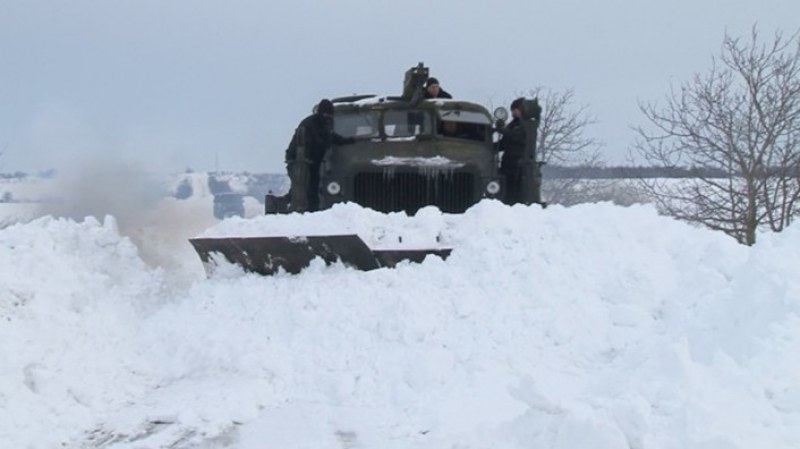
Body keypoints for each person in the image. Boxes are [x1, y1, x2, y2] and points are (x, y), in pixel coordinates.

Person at [284, 99, 354, 212]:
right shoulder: (309, 124)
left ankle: (312, 210)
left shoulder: (324, 124)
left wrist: (347, 140)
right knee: (302, 188)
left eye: (330, 114)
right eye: (326, 114)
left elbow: (330, 136)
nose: (328, 117)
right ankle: (301, 210)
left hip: (313, 162)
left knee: (311, 187)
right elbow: (317, 141)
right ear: (321, 113)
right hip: (300, 162)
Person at [497, 98, 527, 205]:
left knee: (514, 193)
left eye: (515, 109)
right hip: (508, 163)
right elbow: (504, 143)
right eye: (512, 110)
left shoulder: (525, 125)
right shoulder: (513, 124)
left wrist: (503, 130)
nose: (513, 112)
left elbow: (516, 137)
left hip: (518, 164)